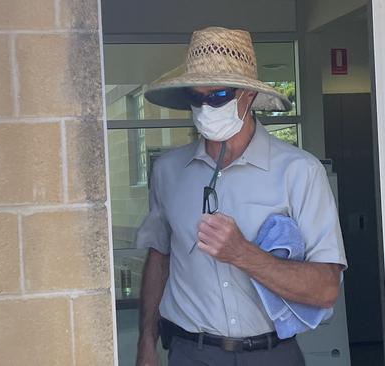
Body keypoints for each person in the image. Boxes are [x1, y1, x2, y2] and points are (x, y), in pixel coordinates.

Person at [135, 26, 347, 366]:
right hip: (192, 352)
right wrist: (146, 342)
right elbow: (159, 257)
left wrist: (243, 253)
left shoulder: (299, 171)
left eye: (217, 96)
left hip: (271, 353)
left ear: (247, 96)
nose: (205, 107)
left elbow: (325, 289)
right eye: (196, 97)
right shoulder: (169, 171)